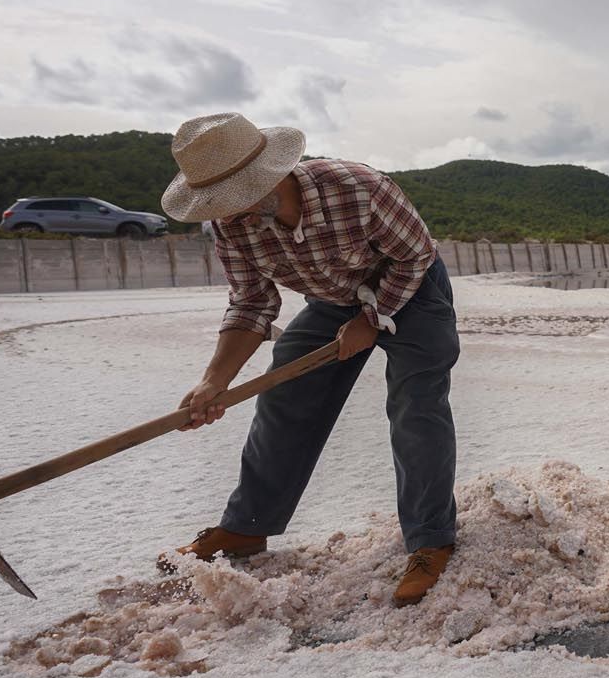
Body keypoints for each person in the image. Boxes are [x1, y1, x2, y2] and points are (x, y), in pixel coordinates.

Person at [161, 112, 461, 606]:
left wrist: (374, 317)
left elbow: (415, 256)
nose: (228, 215)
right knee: (284, 394)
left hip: (410, 289)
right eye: (218, 204)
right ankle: (247, 528)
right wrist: (213, 381)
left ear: (271, 176)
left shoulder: (360, 189)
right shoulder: (231, 227)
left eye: (236, 199)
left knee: (416, 406)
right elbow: (252, 302)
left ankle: (431, 539)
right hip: (332, 298)